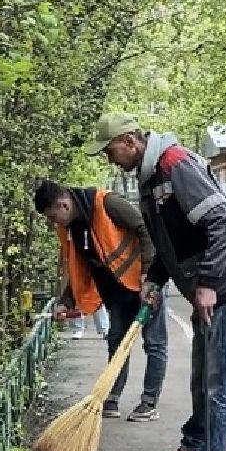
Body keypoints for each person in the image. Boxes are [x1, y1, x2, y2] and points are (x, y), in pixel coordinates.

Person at [95, 113, 226, 451]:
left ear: (131, 140)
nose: (109, 158)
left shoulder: (175, 164)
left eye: (110, 150)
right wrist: (154, 280)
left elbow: (221, 222)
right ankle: (196, 447)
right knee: (202, 373)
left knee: (220, 374)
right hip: (205, 284)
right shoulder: (151, 175)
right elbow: (168, 241)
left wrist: (209, 284)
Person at [34, 180, 168, 421]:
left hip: (144, 284)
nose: (54, 223)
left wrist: (149, 273)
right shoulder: (70, 228)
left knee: (154, 343)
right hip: (116, 293)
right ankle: (112, 398)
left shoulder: (107, 203)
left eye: (54, 217)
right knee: (116, 342)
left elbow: (144, 229)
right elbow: (78, 268)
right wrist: (66, 301)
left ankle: (149, 403)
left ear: (64, 204)